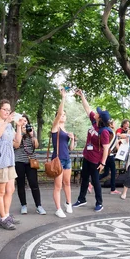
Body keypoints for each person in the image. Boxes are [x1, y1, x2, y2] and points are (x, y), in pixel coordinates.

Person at [72, 89, 111, 212]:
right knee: (84, 178)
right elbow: (87, 108)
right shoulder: (94, 121)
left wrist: (103, 163)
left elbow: (106, 148)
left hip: (95, 160)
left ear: (100, 118)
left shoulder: (104, 131)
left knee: (95, 181)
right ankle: (81, 199)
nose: (96, 113)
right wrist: (82, 95)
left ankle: (99, 203)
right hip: (87, 156)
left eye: (98, 113)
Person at [0, 99, 20, 229]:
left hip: (10, 161)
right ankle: (3, 218)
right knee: (0, 191)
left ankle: (6, 215)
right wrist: (6, 122)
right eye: (5, 109)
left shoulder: (9, 125)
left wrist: (18, 126)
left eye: (9, 110)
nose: (7, 112)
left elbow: (17, 143)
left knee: (10, 189)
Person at [13, 114, 45, 215]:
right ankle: (23, 205)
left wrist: (32, 135)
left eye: (25, 121)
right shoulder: (15, 132)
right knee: (21, 184)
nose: (24, 123)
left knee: (34, 184)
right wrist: (21, 133)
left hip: (31, 161)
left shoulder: (31, 132)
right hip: (19, 161)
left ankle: (38, 205)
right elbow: (16, 146)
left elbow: (36, 145)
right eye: (22, 121)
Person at [51, 88, 76, 218]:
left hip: (67, 158)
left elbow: (70, 148)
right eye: (61, 114)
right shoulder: (55, 127)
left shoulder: (66, 130)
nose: (63, 116)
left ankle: (68, 203)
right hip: (58, 159)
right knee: (58, 185)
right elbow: (60, 111)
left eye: (65, 115)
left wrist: (72, 139)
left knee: (67, 183)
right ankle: (58, 208)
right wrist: (63, 98)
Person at [99, 119, 120, 194]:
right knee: (113, 172)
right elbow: (108, 145)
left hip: (108, 155)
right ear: (110, 125)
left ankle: (91, 182)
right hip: (109, 156)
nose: (115, 124)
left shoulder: (111, 132)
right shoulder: (110, 133)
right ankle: (113, 189)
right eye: (113, 123)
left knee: (106, 173)